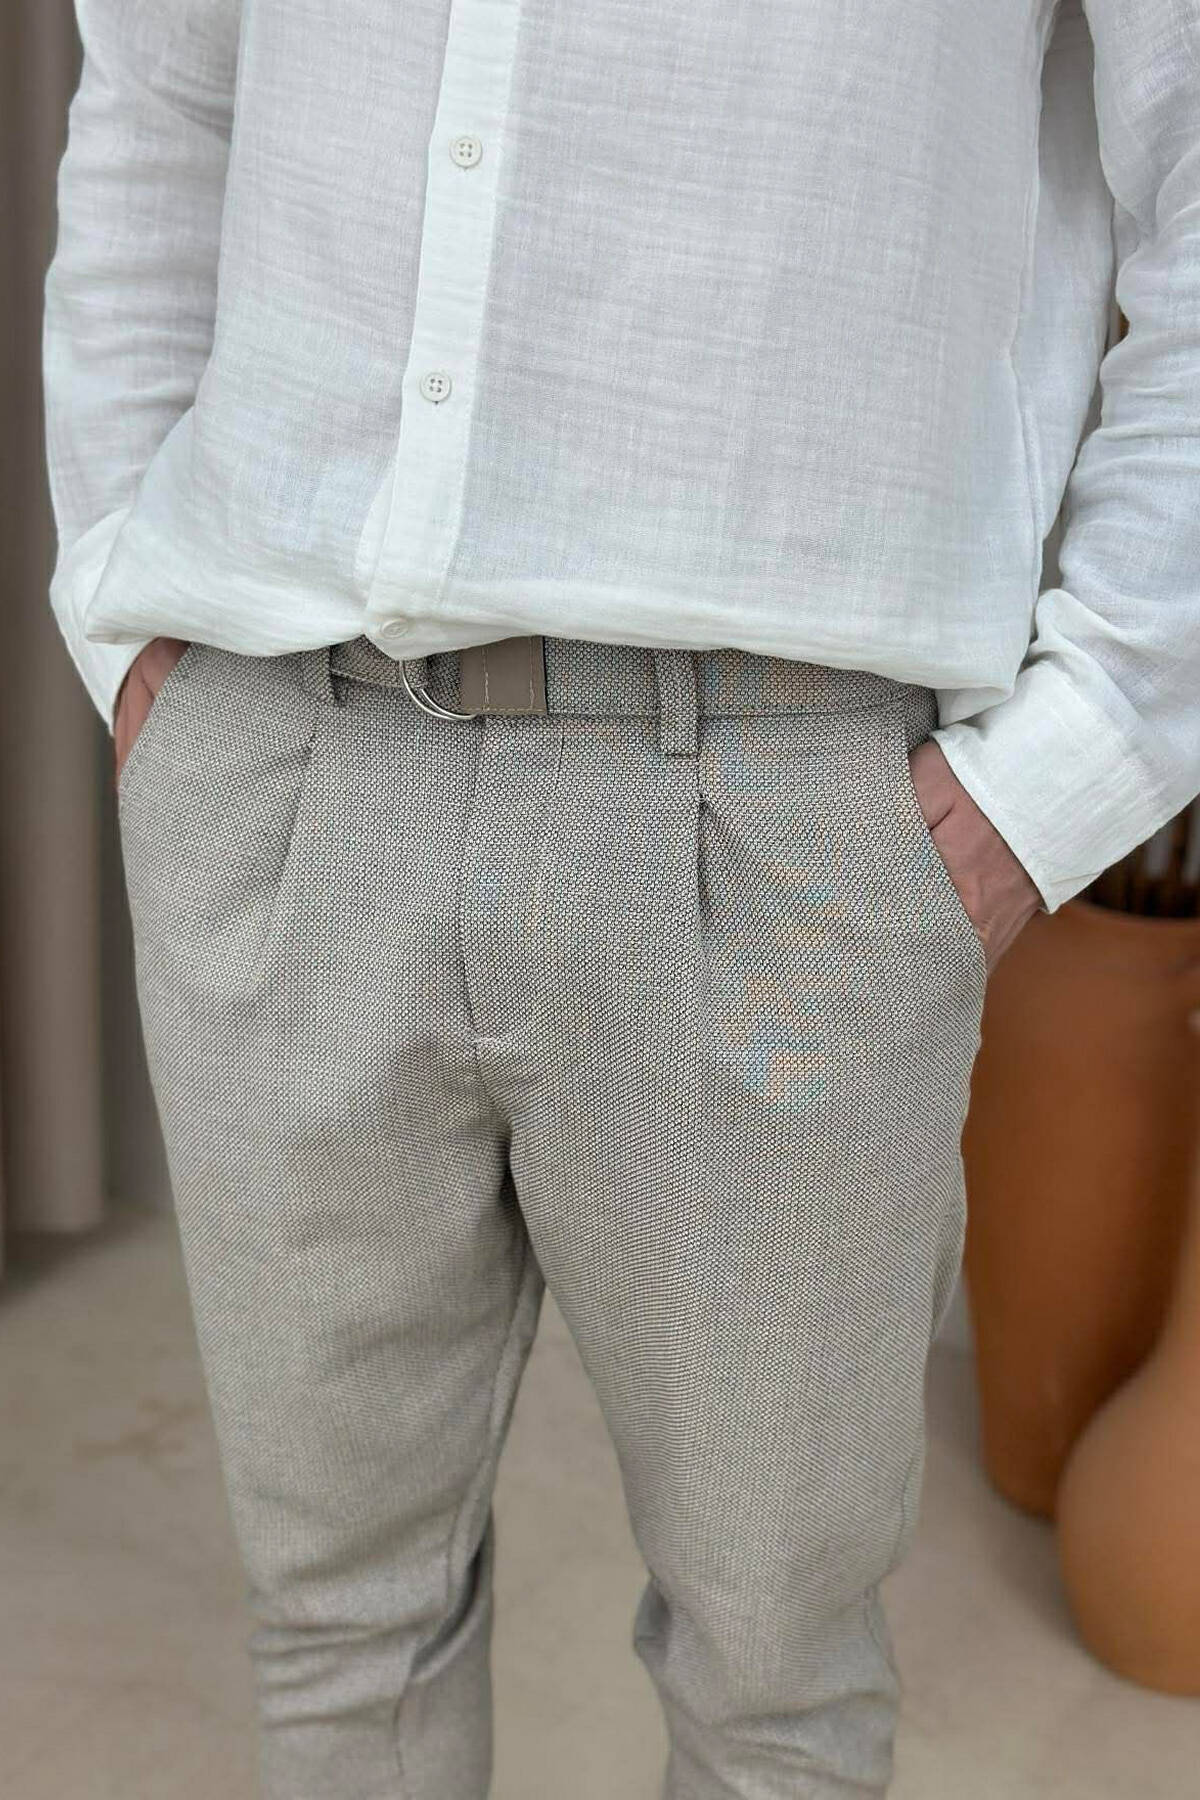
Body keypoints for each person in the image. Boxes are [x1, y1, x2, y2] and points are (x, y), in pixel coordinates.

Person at [41, 1, 1199, 1795]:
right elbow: (160, 86)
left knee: (772, 1678)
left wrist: (1061, 771)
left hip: (782, 825)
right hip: (284, 751)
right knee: (337, 1629)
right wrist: (123, 600)